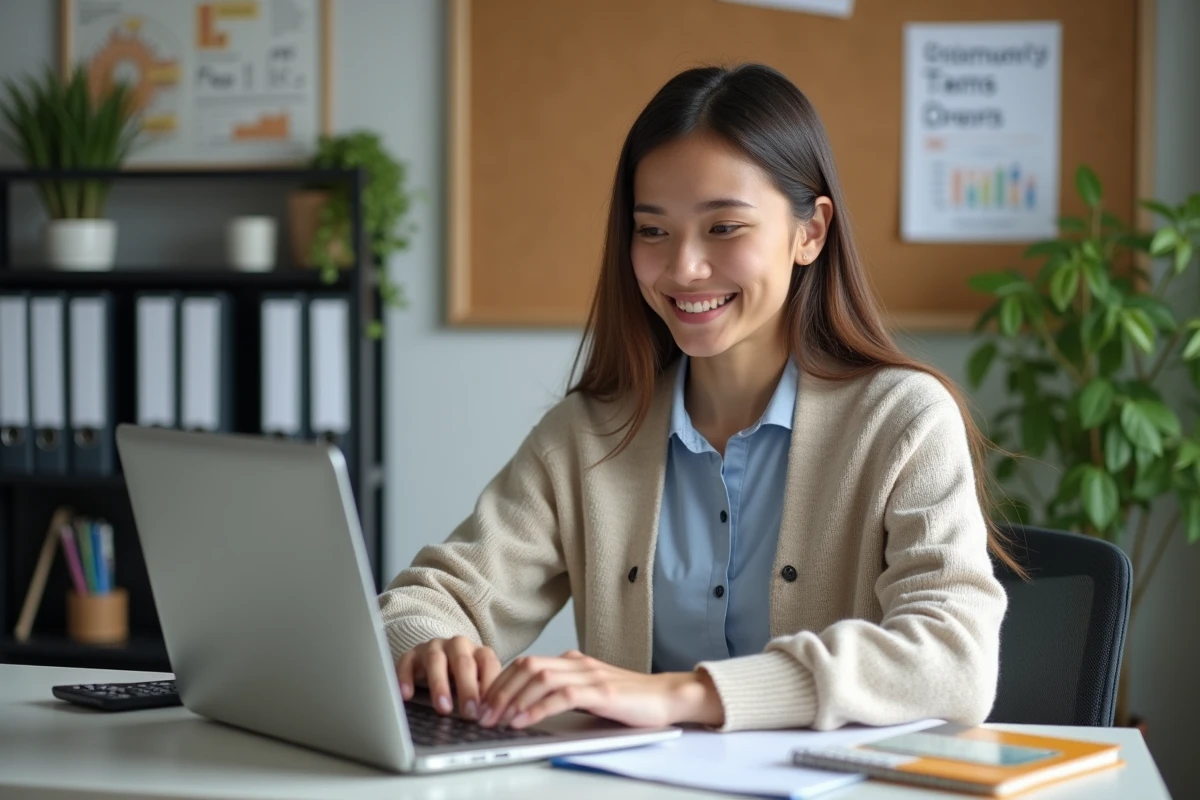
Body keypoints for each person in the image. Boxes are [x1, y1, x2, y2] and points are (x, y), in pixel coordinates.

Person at [378, 62, 1012, 734]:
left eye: (723, 228)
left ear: (811, 232)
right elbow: (423, 601)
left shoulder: (904, 419)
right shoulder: (588, 434)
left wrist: (680, 696)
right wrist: (428, 645)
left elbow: (956, 662)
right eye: (652, 231)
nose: (682, 268)